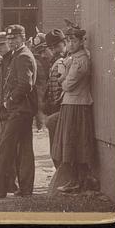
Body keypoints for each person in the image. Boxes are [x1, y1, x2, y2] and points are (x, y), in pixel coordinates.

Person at [0, 24, 37, 199]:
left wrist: (9, 101)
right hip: (20, 109)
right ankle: (25, 189)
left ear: (23, 38)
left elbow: (26, 84)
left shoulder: (23, 56)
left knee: (5, 147)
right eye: (8, 39)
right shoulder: (17, 55)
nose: (11, 41)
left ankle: (1, 188)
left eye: (14, 38)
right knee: (23, 149)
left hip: (20, 109)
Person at [52, 26, 98, 194]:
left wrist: (62, 78)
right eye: (68, 41)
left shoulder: (80, 61)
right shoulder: (73, 58)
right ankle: (78, 180)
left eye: (74, 41)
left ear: (81, 41)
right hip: (71, 104)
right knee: (70, 143)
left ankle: (78, 181)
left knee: (74, 143)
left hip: (77, 105)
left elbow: (67, 84)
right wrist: (63, 76)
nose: (70, 44)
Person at [42, 29, 67, 162]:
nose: (55, 50)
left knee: (60, 147)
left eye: (57, 46)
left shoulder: (66, 60)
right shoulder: (54, 61)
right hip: (54, 107)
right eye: (52, 48)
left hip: (63, 107)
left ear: (64, 43)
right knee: (55, 147)